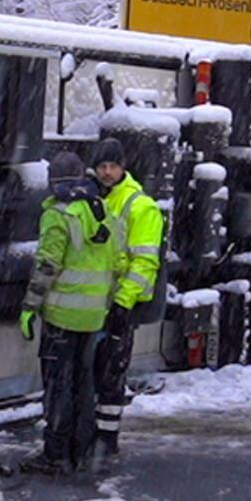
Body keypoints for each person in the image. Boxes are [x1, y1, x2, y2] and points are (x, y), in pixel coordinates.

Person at [18, 152, 118, 476]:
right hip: (93, 317)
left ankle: (55, 454)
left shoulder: (58, 215)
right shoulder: (101, 210)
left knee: (59, 386)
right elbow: (115, 263)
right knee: (84, 383)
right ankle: (82, 452)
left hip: (62, 316)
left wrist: (30, 308)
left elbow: (48, 265)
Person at [88, 139, 164, 462]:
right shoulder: (94, 198)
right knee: (94, 373)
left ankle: (107, 439)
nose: (107, 172)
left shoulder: (139, 205)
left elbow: (144, 263)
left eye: (113, 166)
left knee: (110, 374)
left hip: (119, 306)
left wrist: (122, 304)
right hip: (93, 304)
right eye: (102, 166)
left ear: (123, 167)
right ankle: (93, 436)